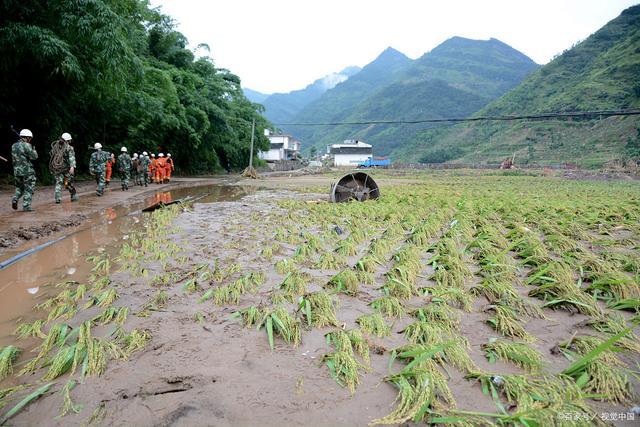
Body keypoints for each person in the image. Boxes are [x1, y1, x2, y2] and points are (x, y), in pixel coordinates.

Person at [11, 129, 38, 212]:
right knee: (28, 188)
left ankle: (15, 199)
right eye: (30, 138)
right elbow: (34, 157)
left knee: (19, 187)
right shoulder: (27, 145)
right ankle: (26, 206)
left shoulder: (13, 145)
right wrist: (33, 149)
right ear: (28, 137)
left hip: (17, 171)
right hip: (27, 171)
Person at [49, 132, 77, 204]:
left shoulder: (56, 146)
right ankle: (73, 196)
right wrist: (72, 167)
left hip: (57, 168)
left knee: (58, 183)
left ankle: (57, 199)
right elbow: (71, 157)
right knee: (69, 183)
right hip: (66, 169)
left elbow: (52, 156)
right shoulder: (69, 148)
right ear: (68, 140)